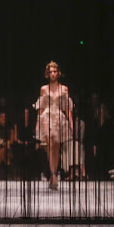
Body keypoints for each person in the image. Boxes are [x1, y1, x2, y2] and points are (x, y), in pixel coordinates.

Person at [35, 61, 74, 190]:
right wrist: (37, 125)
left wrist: (71, 123)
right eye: (50, 72)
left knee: (56, 146)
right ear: (47, 74)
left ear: (58, 73)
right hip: (46, 118)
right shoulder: (44, 89)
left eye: (55, 71)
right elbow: (40, 108)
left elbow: (67, 108)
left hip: (59, 118)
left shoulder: (64, 89)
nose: (53, 74)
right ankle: (53, 175)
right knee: (50, 145)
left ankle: (54, 173)